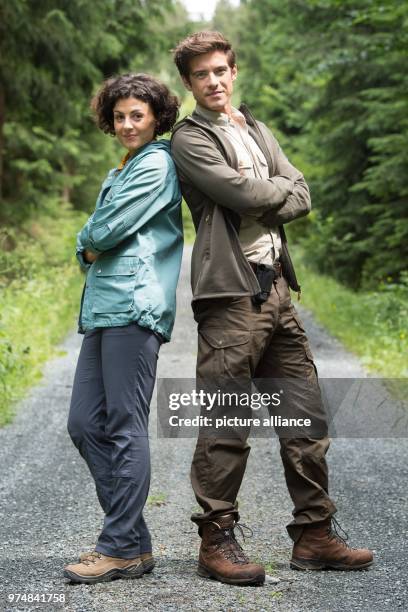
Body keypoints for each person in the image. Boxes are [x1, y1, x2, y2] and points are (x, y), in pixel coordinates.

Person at [171, 31, 373, 586]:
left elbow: (301, 191)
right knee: (227, 421)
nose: (214, 81)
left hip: (278, 290)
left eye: (221, 71)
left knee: (305, 417)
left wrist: (275, 189)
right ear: (189, 83)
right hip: (230, 297)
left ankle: (314, 535)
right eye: (202, 75)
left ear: (233, 73)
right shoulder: (188, 139)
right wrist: (276, 189)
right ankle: (216, 540)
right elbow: (243, 195)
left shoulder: (256, 128)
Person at [64, 73, 183, 584]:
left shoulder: (155, 163)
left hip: (135, 305)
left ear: (156, 117)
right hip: (105, 308)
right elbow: (101, 232)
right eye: (120, 116)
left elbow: (106, 231)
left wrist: (85, 242)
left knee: (123, 425)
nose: (128, 124)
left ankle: (116, 546)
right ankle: (132, 542)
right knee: (85, 424)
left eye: (138, 114)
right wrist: (89, 243)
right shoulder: (126, 166)